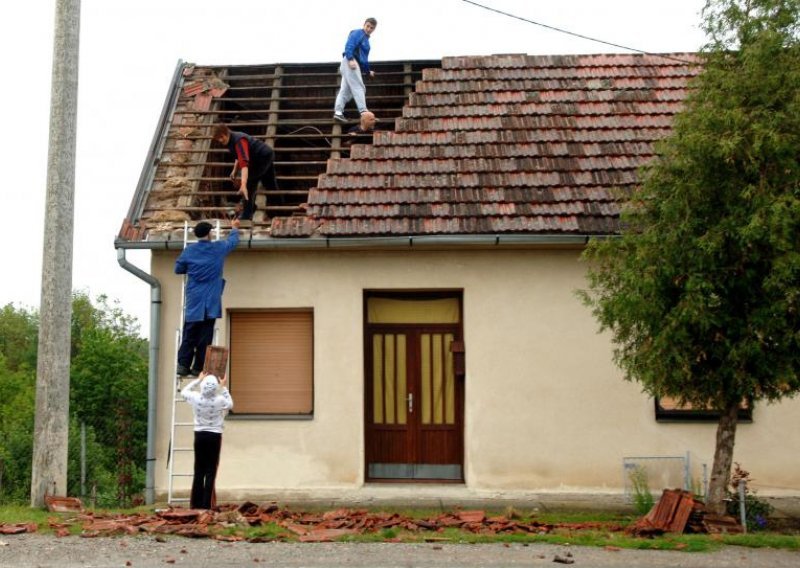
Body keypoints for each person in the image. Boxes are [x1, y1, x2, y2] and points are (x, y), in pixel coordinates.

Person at [175, 218, 240, 377]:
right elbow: (232, 242)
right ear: (210, 234)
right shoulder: (217, 248)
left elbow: (178, 269)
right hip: (211, 301)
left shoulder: (189, 251)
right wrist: (234, 228)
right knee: (205, 336)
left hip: (194, 300)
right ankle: (199, 368)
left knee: (189, 334)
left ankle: (183, 365)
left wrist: (191, 268)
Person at [181, 371, 234, 510]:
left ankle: (195, 504)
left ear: (203, 386)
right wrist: (223, 387)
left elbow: (184, 391)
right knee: (211, 470)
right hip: (214, 436)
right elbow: (230, 404)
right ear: (215, 387)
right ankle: (207, 505)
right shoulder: (220, 399)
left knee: (199, 470)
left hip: (199, 435)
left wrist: (198, 380)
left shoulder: (195, 397)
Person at [212, 124, 277, 221]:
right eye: (218, 139)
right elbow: (238, 156)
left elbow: (244, 165)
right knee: (269, 182)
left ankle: (247, 214)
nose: (221, 140)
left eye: (221, 137)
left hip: (263, 157)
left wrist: (243, 184)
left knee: (250, 183)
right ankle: (274, 206)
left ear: (226, 133)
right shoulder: (230, 140)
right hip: (259, 157)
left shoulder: (239, 141)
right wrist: (234, 170)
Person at [333, 18, 377, 123]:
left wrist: (367, 71)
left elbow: (364, 60)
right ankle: (364, 112)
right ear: (364, 25)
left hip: (349, 63)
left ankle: (338, 113)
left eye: (372, 28)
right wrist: (350, 58)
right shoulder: (358, 33)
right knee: (359, 87)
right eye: (368, 26)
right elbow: (349, 45)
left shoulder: (366, 42)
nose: (369, 29)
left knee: (345, 90)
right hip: (351, 62)